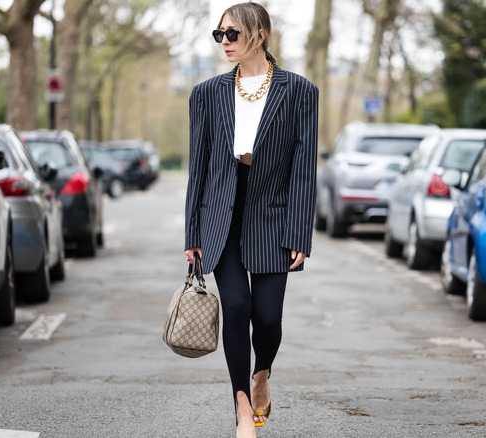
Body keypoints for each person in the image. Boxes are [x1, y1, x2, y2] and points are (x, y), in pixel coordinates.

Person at [183, 2, 318, 437]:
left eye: (232, 35)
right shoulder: (206, 93)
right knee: (236, 306)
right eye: (218, 35)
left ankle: (263, 374)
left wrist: (300, 231)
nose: (224, 42)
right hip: (221, 214)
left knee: (269, 318)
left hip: (273, 217)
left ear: (258, 34)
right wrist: (192, 233)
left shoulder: (299, 92)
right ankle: (242, 407)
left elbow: (304, 167)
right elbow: (198, 168)